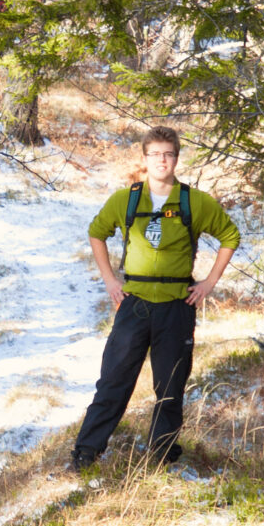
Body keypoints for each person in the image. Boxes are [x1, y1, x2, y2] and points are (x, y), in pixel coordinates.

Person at [70, 124, 240, 470]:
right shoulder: (126, 199)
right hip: (135, 305)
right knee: (114, 381)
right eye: (155, 154)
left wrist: (208, 283)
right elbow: (96, 233)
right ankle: (85, 454)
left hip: (177, 306)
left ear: (176, 158)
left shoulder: (194, 201)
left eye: (168, 154)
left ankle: (161, 455)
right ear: (144, 158)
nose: (162, 160)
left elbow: (230, 236)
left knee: (170, 385)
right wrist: (110, 280)